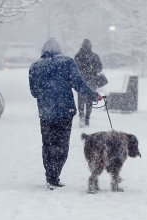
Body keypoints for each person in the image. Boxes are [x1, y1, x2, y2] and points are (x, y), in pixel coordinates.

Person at [29, 38, 102, 190]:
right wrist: (94, 95)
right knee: (62, 145)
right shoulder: (67, 62)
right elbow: (79, 84)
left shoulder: (35, 67)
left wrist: (46, 93)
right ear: (59, 50)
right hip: (65, 112)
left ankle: (50, 176)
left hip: (46, 113)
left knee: (48, 145)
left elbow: (34, 92)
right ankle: (55, 175)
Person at [74, 39, 103, 127]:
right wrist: (92, 70)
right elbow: (100, 67)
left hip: (81, 81)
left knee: (81, 100)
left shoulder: (78, 56)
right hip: (92, 81)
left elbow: (74, 68)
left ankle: (82, 116)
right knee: (90, 100)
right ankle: (87, 118)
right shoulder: (94, 56)